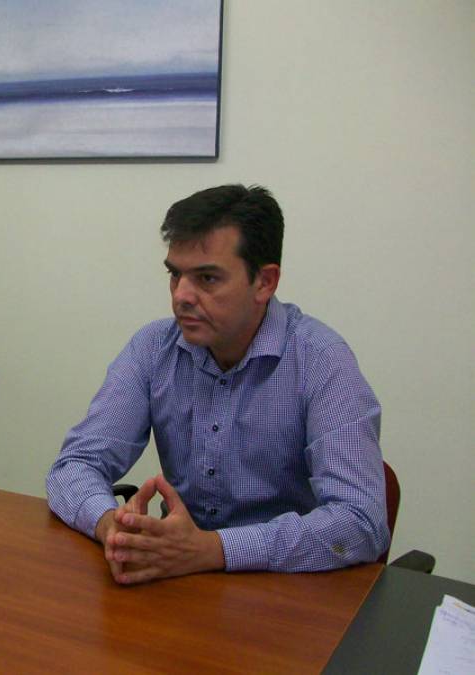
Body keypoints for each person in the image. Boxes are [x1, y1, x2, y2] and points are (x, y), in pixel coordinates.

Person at [46, 184, 389, 585]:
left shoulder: (322, 360)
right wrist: (111, 526)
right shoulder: (153, 348)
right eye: (175, 274)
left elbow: (360, 520)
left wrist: (214, 549)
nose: (181, 296)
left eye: (207, 278)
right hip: (177, 580)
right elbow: (74, 465)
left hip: (282, 589)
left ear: (264, 282)